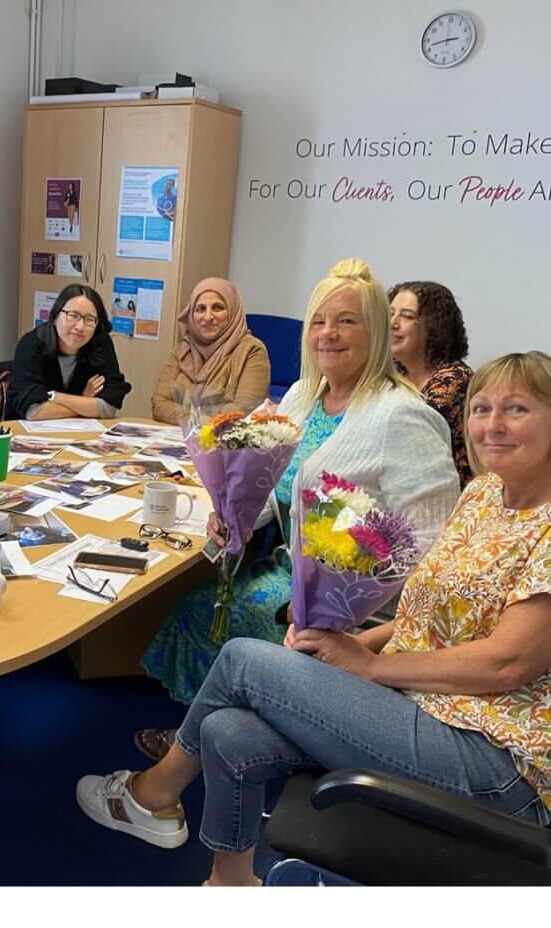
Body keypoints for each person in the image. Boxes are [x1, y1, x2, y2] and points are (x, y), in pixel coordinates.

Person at [77, 351, 551, 885]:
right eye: (482, 409)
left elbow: (507, 663)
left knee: (241, 660)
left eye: (516, 409)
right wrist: (345, 646)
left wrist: (368, 668)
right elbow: (424, 617)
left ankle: (153, 793)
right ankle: (230, 885)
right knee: (228, 731)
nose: (493, 425)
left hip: (495, 758)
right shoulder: (484, 495)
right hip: (421, 701)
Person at [139, 259, 460, 722]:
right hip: (291, 574)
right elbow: (276, 484)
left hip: (357, 611)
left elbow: (432, 543)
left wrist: (341, 604)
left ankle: (231, 730)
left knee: (231, 619)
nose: (328, 333)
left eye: (346, 321)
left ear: (375, 332)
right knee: (197, 605)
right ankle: (210, 729)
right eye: (318, 321)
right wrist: (237, 512)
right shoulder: (302, 397)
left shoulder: (402, 415)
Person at [151, 277, 271, 425]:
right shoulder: (182, 350)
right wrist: (204, 417)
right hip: (177, 436)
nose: (207, 317)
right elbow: (159, 404)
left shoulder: (251, 351)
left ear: (233, 312)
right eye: (200, 309)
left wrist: (187, 415)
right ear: (191, 314)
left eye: (217, 308)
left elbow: (242, 412)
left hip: (225, 439)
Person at [389, 280, 473, 488]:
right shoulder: (395, 371)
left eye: (407, 316)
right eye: (390, 313)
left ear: (434, 328)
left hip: (448, 492)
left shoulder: (454, 379)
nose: (393, 323)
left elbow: (401, 435)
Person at [5, 284, 131, 421]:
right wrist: (84, 401)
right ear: (55, 316)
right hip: (23, 430)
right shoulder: (31, 344)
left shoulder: (99, 343)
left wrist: (55, 397)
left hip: (79, 431)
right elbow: (34, 411)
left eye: (89, 319)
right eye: (73, 316)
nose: (80, 327)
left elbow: (108, 407)